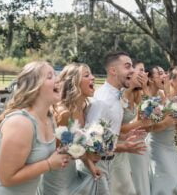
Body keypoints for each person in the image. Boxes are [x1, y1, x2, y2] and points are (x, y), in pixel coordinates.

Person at [0, 61, 70, 195]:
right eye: (50, 76)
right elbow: (7, 178)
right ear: (35, 87)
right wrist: (49, 164)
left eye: (56, 75)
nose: (58, 79)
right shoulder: (21, 123)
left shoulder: (49, 118)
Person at [79, 51, 146, 195]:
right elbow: (91, 142)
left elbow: (107, 133)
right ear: (113, 71)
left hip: (110, 162)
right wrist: (124, 147)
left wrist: (123, 136)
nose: (133, 70)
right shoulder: (103, 100)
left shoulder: (118, 95)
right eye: (127, 66)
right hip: (97, 165)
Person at [37, 62, 99, 195]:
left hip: (70, 169)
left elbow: (75, 145)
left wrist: (90, 163)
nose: (93, 77)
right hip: (57, 172)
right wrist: (83, 150)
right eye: (87, 75)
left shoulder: (83, 109)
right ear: (74, 83)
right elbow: (55, 150)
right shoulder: (64, 114)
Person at [110, 59, 150, 195]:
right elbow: (117, 127)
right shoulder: (120, 96)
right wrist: (140, 124)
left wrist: (145, 88)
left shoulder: (135, 94)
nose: (144, 74)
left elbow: (148, 116)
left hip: (128, 143)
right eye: (141, 70)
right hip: (116, 145)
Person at [149, 66, 177, 195]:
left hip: (170, 146)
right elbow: (150, 126)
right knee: (165, 177)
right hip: (156, 145)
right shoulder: (159, 97)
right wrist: (165, 123)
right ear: (172, 80)